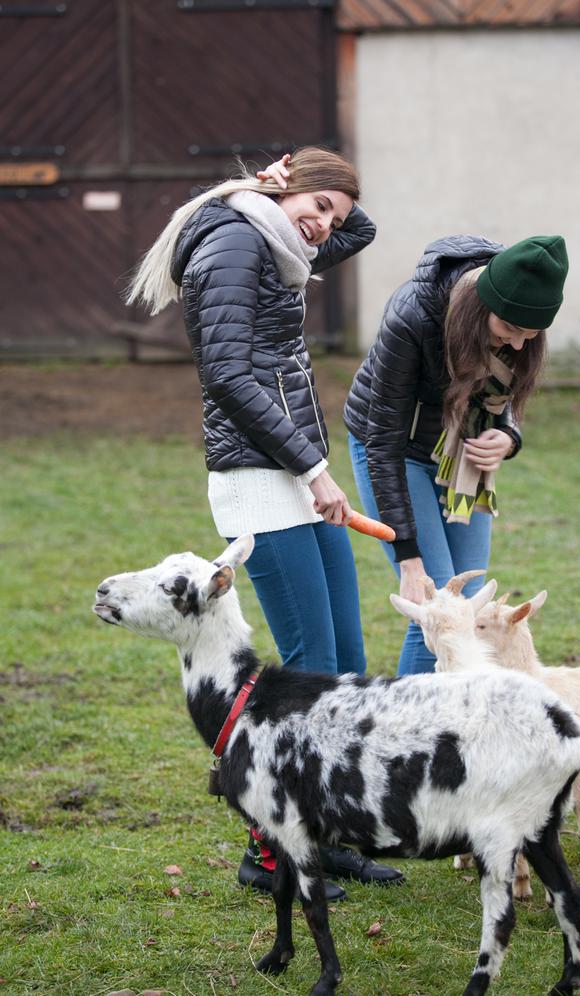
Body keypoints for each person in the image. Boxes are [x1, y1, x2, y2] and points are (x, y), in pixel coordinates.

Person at [127, 147, 403, 898]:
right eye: (318, 208)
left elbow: (361, 226)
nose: (324, 228)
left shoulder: (277, 241)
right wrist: (313, 469)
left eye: (330, 216)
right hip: (259, 480)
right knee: (306, 670)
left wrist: (299, 191)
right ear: (286, 191)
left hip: (295, 470)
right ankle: (270, 852)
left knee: (341, 659)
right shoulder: (232, 242)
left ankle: (330, 833)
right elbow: (227, 373)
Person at [344, 234, 569, 676]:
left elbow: (502, 405)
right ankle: (407, 740)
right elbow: (382, 438)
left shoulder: (518, 307)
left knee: (468, 608)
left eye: (531, 335)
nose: (520, 346)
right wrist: (408, 556)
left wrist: (507, 436)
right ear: (482, 307)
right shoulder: (414, 314)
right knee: (439, 609)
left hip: (460, 458)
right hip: (394, 450)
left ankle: (450, 734)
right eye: (510, 331)